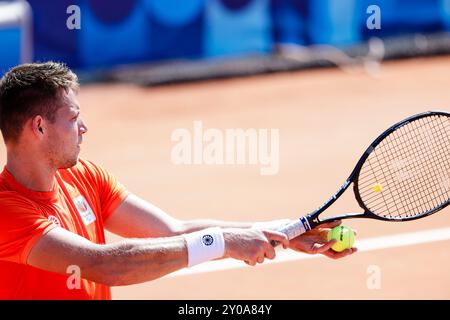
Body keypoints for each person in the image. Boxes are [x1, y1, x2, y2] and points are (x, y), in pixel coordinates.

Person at [0, 62, 356, 300]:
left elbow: (172, 231)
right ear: (39, 126)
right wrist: (223, 242)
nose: (84, 127)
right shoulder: (7, 211)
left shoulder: (84, 176)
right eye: (73, 116)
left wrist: (278, 232)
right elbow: (106, 264)